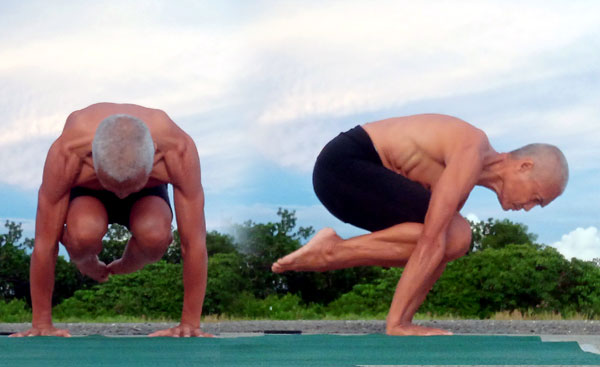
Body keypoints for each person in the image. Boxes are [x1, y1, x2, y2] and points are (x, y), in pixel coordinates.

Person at [272, 114, 568, 336]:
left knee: (453, 237)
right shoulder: (471, 149)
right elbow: (431, 240)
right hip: (345, 165)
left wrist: (407, 321)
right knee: (452, 234)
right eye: (537, 199)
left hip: (346, 184)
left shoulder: (461, 179)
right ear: (524, 165)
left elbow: (437, 249)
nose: (528, 208)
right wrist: (396, 323)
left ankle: (333, 252)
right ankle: (330, 252)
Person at [10, 103, 210, 338]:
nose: (122, 194)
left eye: (129, 187)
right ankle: (85, 260)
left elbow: (193, 242)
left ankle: (122, 265)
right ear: (91, 157)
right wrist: (41, 323)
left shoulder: (178, 150)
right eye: (115, 187)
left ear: (153, 152)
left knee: (155, 235)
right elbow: (44, 243)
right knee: (83, 232)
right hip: (89, 192)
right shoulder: (67, 153)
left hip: (147, 194)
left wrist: (190, 323)